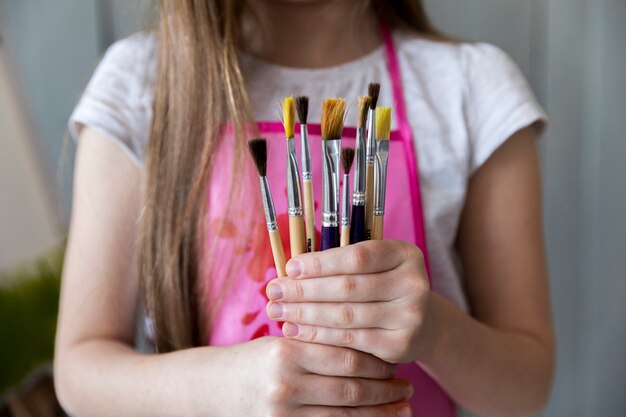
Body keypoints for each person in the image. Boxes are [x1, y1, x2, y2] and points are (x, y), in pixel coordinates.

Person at [53, 1, 555, 416]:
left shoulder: (472, 87)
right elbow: (78, 375)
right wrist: (226, 388)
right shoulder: (141, 83)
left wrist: (436, 332)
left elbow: (525, 390)